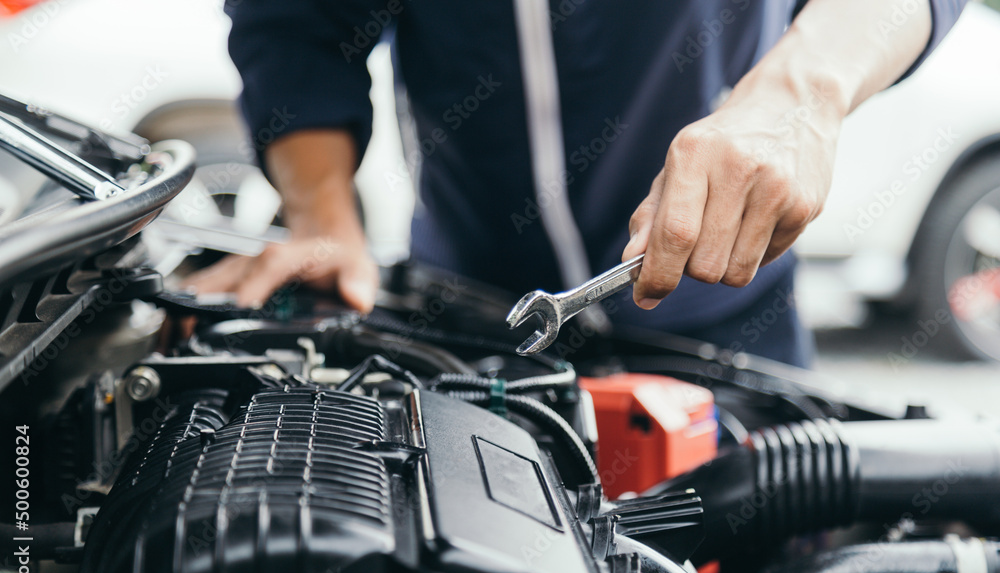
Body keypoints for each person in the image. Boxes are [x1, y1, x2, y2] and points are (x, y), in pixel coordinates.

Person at [187, 0, 966, 366]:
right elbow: (296, 23)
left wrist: (801, 94)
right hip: (464, 329)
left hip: (726, 332)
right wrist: (323, 216)